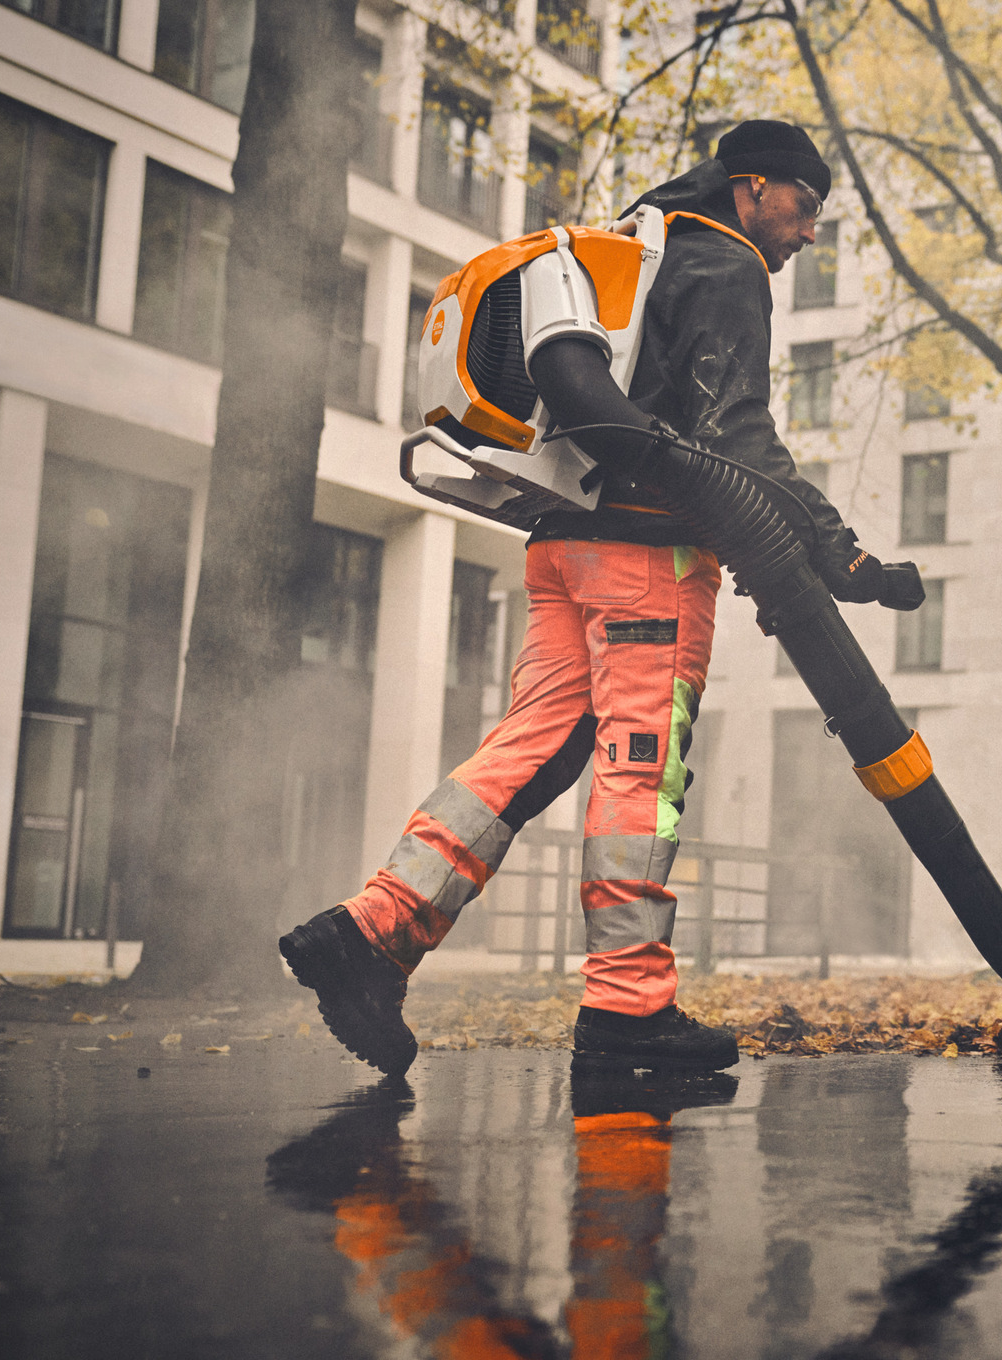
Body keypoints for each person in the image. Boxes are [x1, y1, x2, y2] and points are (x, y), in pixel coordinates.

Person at [280, 121, 906, 1077]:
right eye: (804, 205)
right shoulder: (726, 265)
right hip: (649, 555)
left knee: (527, 748)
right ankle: (628, 1004)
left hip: (563, 543)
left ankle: (372, 931)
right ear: (751, 187)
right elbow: (738, 437)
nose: (809, 230)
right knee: (641, 775)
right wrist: (841, 550)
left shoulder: (642, 246)